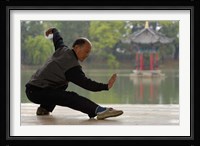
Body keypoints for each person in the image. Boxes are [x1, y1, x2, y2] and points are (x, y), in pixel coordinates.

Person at [25, 27, 123, 120]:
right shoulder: (72, 67)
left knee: (63, 84)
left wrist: (54, 30)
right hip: (36, 92)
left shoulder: (62, 49)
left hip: (32, 90)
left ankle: (44, 109)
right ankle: (99, 111)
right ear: (76, 48)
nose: (87, 55)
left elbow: (58, 39)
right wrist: (106, 86)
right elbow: (87, 84)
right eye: (86, 52)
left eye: (88, 53)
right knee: (70, 97)